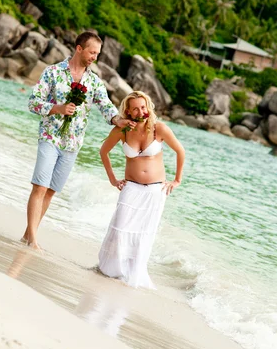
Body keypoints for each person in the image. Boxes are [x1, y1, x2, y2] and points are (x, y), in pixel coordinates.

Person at [22, 32, 135, 249]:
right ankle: (34, 239)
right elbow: (33, 103)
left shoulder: (93, 81)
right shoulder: (53, 72)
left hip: (73, 144)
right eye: (92, 52)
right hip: (49, 137)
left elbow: (106, 105)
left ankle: (28, 234)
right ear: (79, 48)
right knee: (40, 186)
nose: (95, 57)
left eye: (98, 53)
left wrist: (117, 120)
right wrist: (57, 108)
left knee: (51, 191)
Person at [98, 91, 185, 288]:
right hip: (131, 188)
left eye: (143, 107)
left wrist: (177, 180)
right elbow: (103, 151)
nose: (140, 111)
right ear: (128, 110)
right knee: (120, 229)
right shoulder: (123, 130)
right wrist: (112, 179)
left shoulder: (159, 129)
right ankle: (111, 270)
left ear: (148, 107)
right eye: (136, 108)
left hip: (155, 192)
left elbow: (181, 151)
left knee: (143, 235)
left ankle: (132, 275)